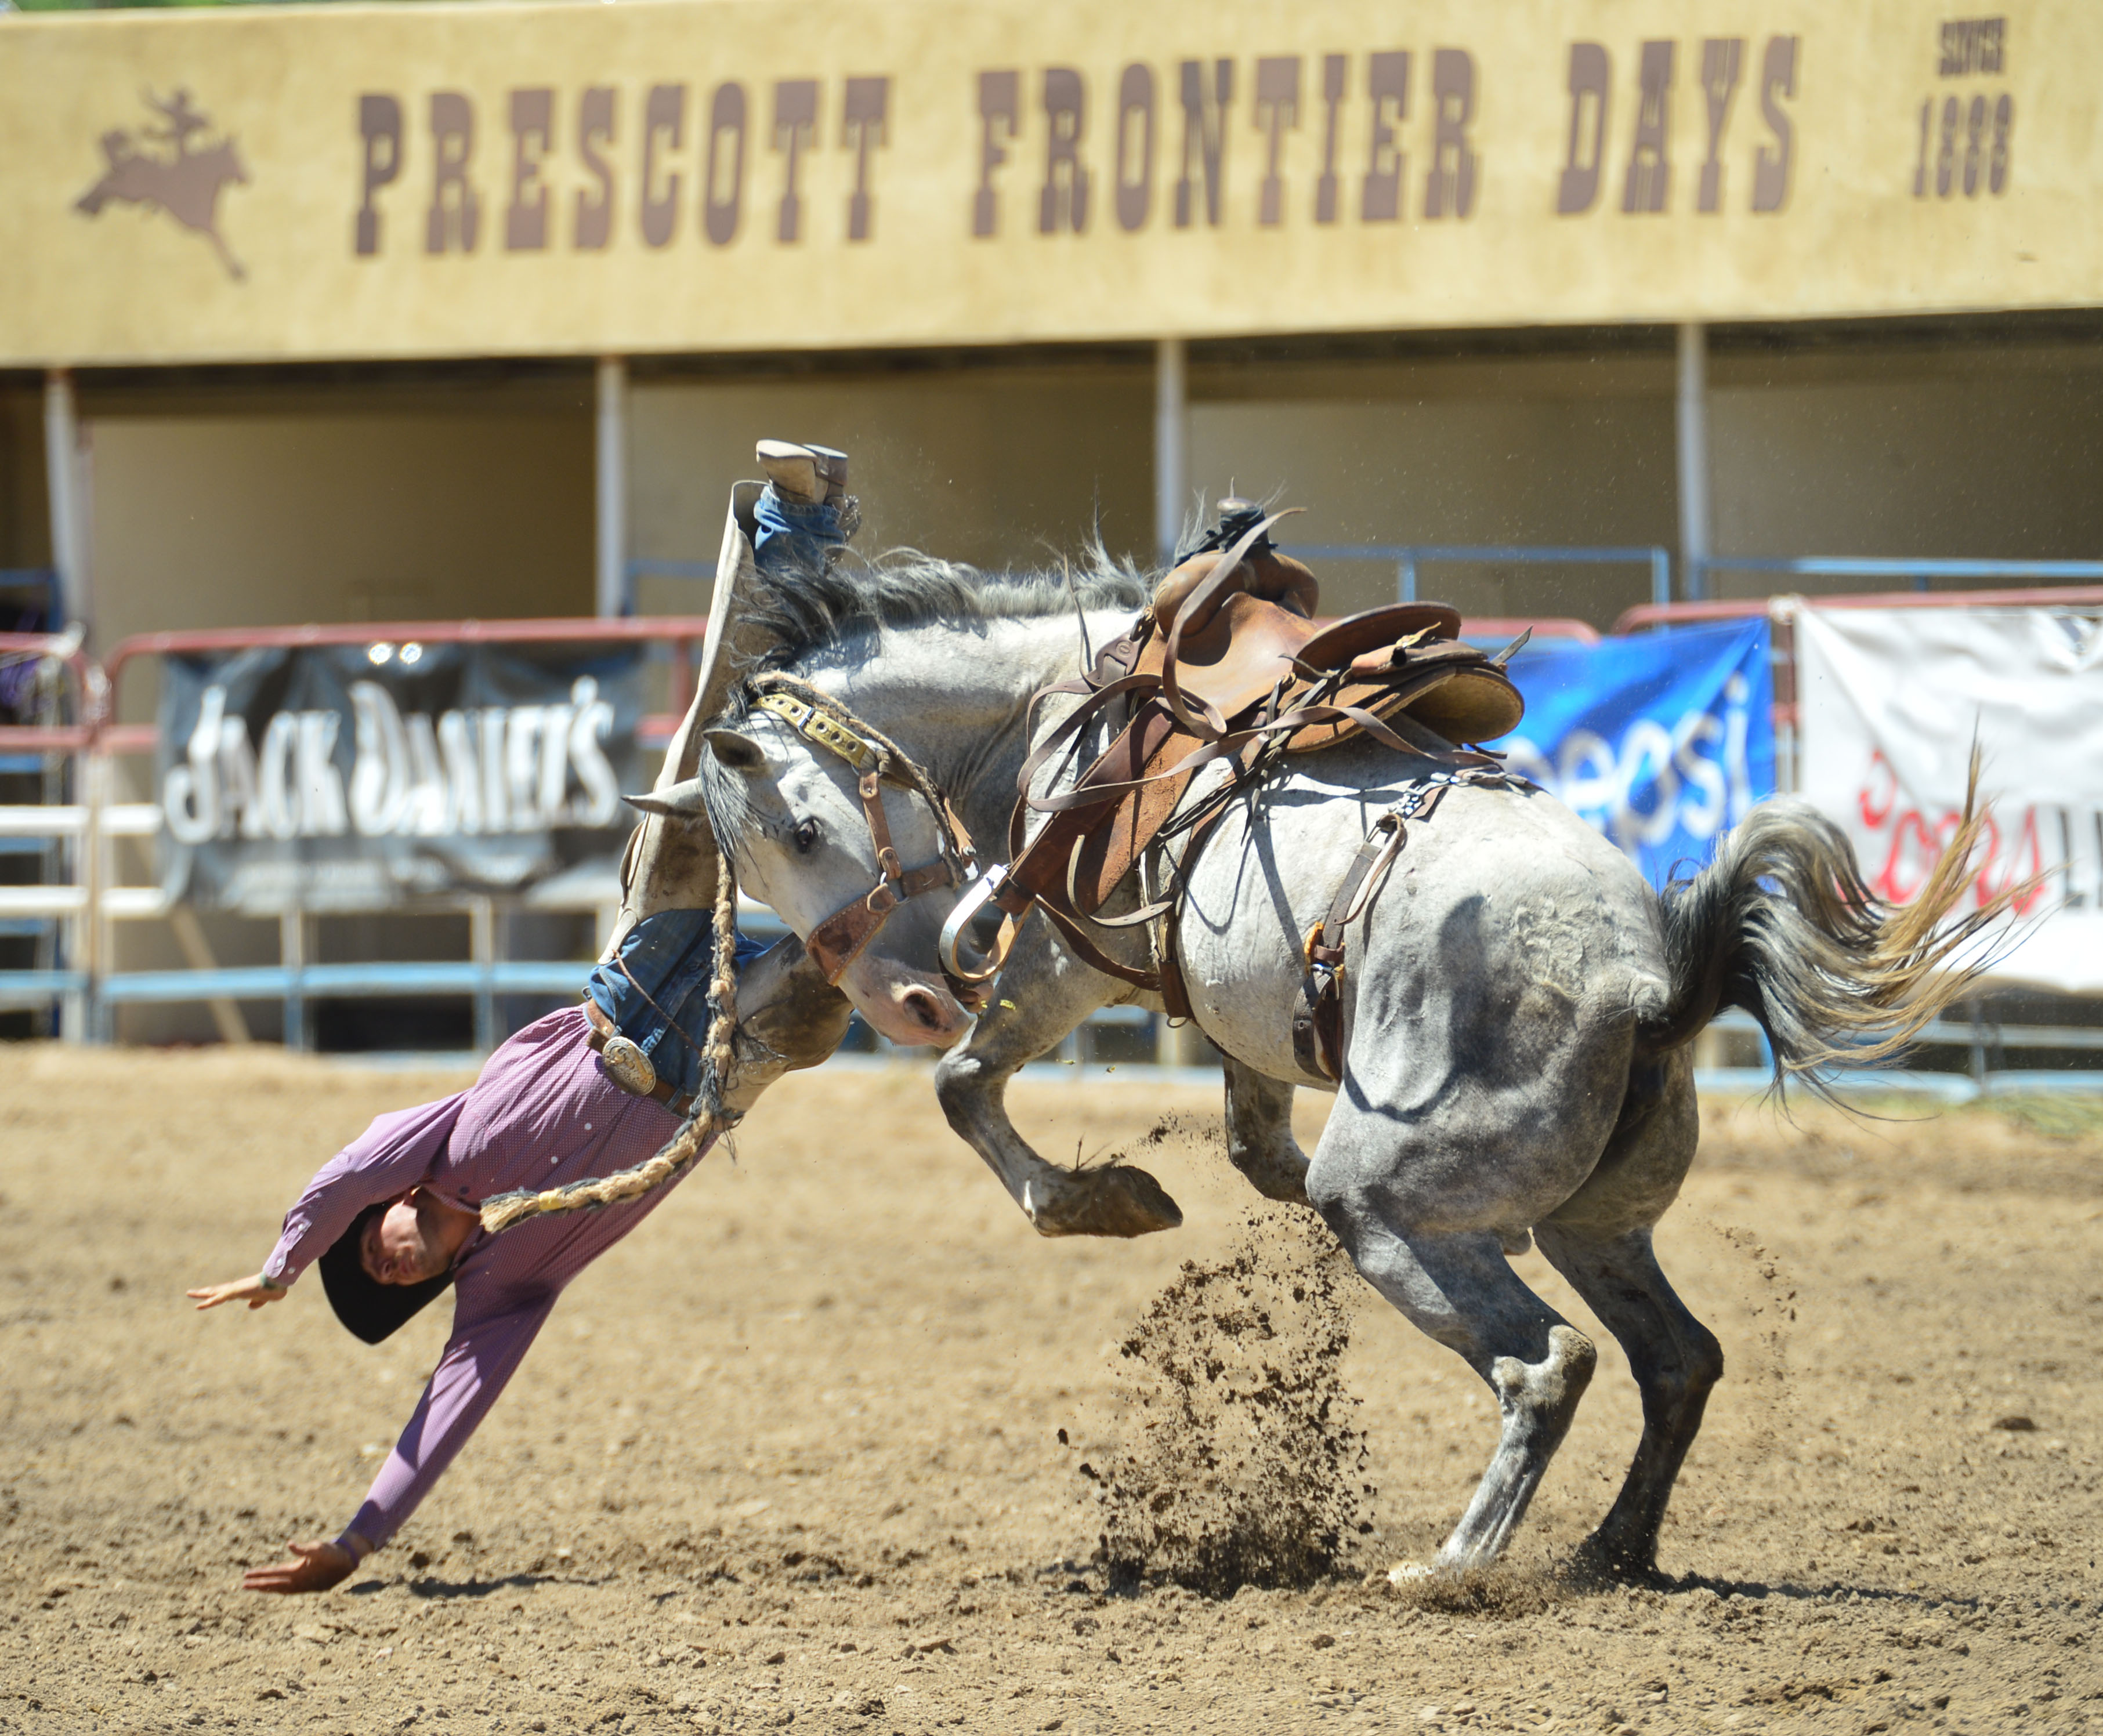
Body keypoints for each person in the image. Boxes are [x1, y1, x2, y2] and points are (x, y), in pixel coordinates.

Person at [187, 440, 863, 1594]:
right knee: (852, 936)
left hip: (640, 971)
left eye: (375, 1253)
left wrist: (286, 1261)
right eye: (394, 1285)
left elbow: (351, 1163)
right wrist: (359, 1541)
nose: (392, 1266)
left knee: (717, 747)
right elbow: (445, 1413)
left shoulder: (433, 1146)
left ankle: (803, 525)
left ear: (386, 1217)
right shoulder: (509, 1289)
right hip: (715, 1064)